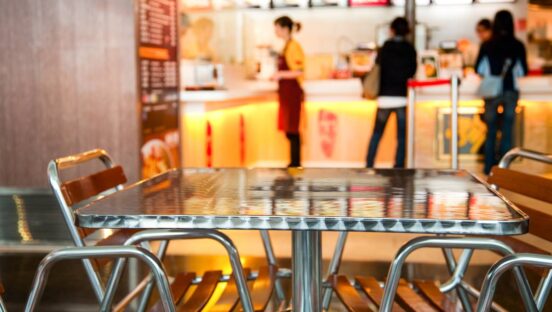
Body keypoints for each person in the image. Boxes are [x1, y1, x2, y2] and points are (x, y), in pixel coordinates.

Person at [476, 10, 528, 175]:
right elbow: (523, 71)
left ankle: (488, 169)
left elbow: (479, 68)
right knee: (507, 130)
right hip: (510, 91)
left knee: (490, 130)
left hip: (492, 92)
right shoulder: (518, 45)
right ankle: (504, 172)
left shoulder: (487, 45)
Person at [366, 17, 417, 168]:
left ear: (392, 30)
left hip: (384, 97)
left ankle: (369, 165)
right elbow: (412, 71)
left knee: (377, 134)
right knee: (401, 137)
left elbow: (376, 66)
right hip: (401, 97)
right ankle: (399, 167)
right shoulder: (410, 48)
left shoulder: (386, 47)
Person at [272, 16, 305, 167]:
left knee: (293, 129)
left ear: (285, 29)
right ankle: (294, 163)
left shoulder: (293, 46)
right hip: (286, 93)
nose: (276, 31)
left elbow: (299, 71)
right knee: (289, 129)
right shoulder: (286, 46)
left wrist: (280, 74)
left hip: (292, 92)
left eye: (277, 28)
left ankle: (295, 164)